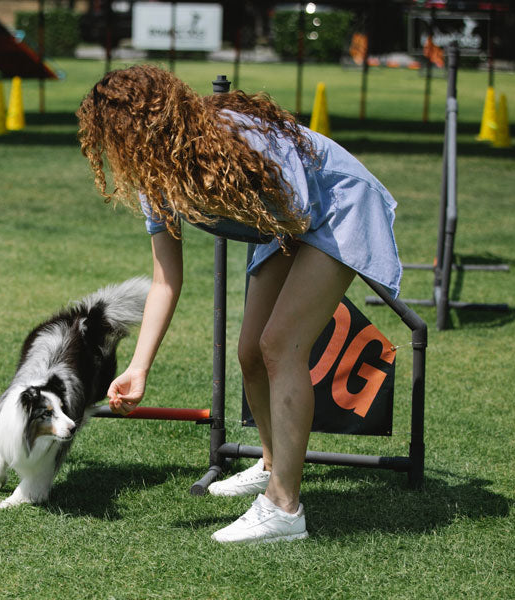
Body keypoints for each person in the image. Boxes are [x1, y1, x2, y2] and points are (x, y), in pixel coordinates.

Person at [76, 65, 401, 545]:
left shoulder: (236, 135)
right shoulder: (155, 176)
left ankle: (284, 508)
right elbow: (166, 280)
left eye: (115, 137)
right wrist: (140, 368)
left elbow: (300, 202)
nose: (113, 152)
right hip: (288, 224)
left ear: (141, 126)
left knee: (280, 346)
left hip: (335, 207)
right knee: (251, 351)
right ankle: (271, 465)